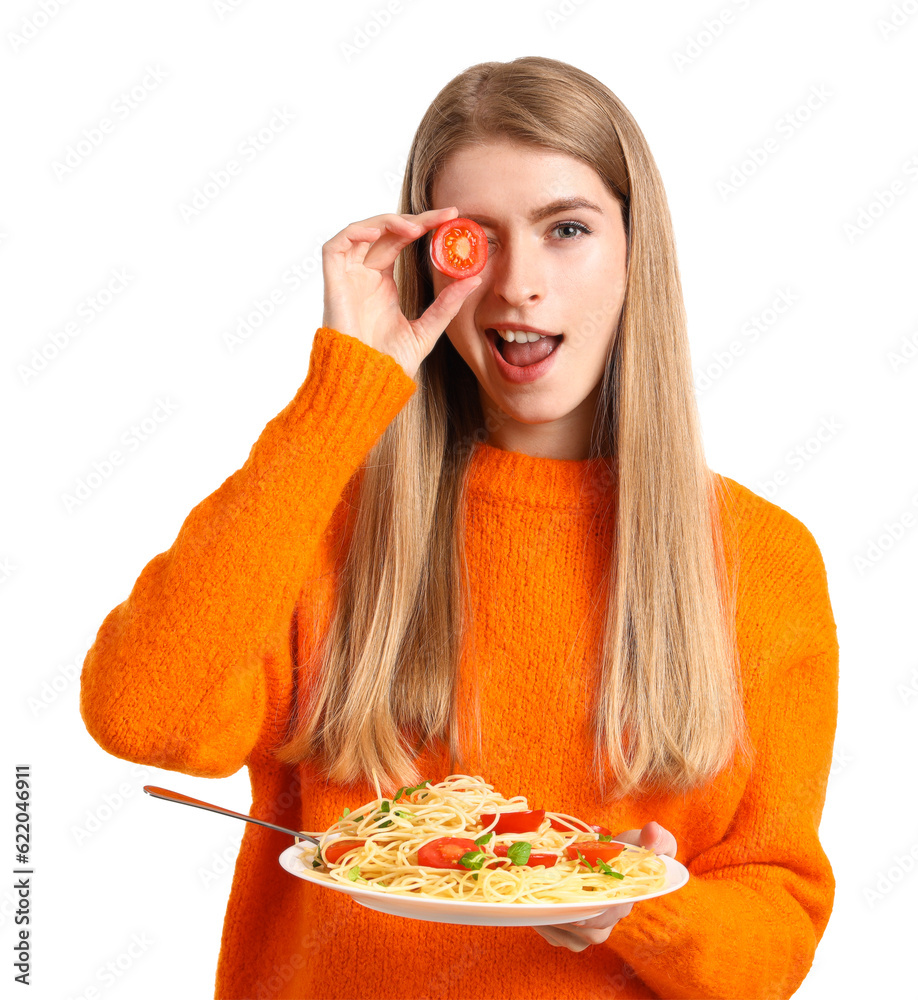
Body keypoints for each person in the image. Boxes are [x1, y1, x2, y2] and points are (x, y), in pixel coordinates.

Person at [79, 56, 839, 999]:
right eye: (477, 239)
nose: (520, 284)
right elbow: (142, 714)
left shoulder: (763, 560)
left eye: (567, 229)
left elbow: (774, 924)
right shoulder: (327, 524)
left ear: (636, 251)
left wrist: (634, 907)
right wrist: (341, 395)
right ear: (429, 260)